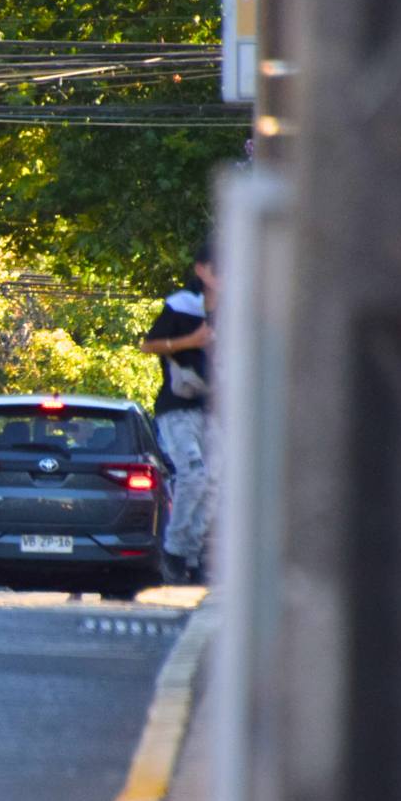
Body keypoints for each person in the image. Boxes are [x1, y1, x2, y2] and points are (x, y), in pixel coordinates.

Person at [140, 242, 217, 581]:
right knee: (194, 475)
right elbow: (148, 344)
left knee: (216, 482)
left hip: (217, 410)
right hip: (178, 407)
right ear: (202, 270)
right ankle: (174, 550)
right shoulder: (182, 305)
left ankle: (194, 554)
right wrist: (189, 342)